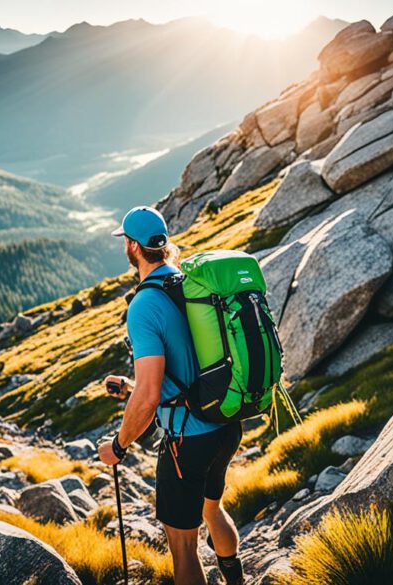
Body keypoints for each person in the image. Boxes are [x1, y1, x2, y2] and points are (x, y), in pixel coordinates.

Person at [98, 206, 245, 585]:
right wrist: (130, 390)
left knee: (183, 546)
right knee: (212, 511)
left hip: (188, 441)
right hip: (225, 421)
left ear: (132, 246)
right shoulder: (189, 283)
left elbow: (148, 396)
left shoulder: (144, 305)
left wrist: (119, 444)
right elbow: (190, 369)